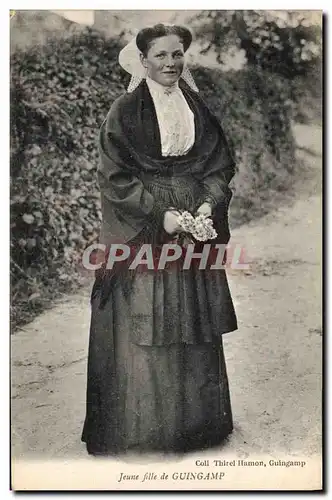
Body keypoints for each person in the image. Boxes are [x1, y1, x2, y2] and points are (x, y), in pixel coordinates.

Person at [81, 23, 238, 456]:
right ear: (143, 61)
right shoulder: (125, 110)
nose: (171, 63)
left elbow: (219, 165)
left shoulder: (197, 108)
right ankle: (145, 429)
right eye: (162, 55)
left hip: (193, 220)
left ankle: (196, 426)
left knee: (191, 317)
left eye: (177, 54)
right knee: (149, 317)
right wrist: (161, 215)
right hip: (148, 224)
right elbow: (114, 176)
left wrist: (208, 204)